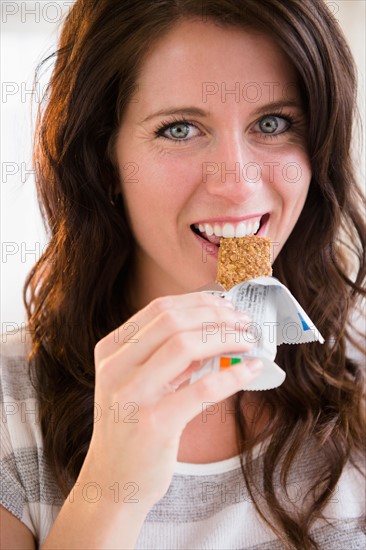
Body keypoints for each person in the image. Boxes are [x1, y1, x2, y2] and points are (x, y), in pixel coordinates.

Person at [1, 0, 365, 548]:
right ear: (105, 162)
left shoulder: (358, 377)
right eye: (179, 129)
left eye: (273, 123)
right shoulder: (9, 409)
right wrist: (110, 490)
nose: (238, 185)